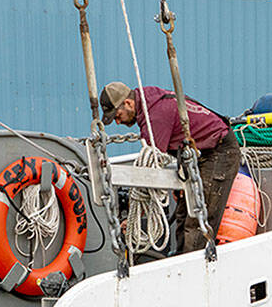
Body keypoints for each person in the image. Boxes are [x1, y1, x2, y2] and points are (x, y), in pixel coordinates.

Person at [100, 81, 241, 254]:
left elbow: (151, 172)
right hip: (199, 155)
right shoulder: (149, 99)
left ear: (128, 103)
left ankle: (193, 271)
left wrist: (134, 218)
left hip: (219, 153)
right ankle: (181, 263)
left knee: (197, 220)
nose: (117, 121)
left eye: (117, 115)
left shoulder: (154, 117)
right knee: (182, 215)